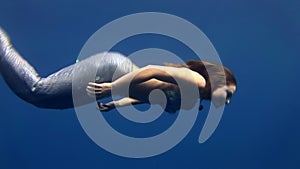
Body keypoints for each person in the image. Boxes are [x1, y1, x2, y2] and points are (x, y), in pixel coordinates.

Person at [0, 27, 237, 113]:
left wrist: (116, 103)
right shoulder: (197, 81)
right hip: (112, 72)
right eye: (227, 94)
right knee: (37, 92)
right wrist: (113, 87)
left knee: (50, 101)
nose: (226, 102)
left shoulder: (190, 100)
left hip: (113, 76)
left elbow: (147, 97)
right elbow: (153, 70)